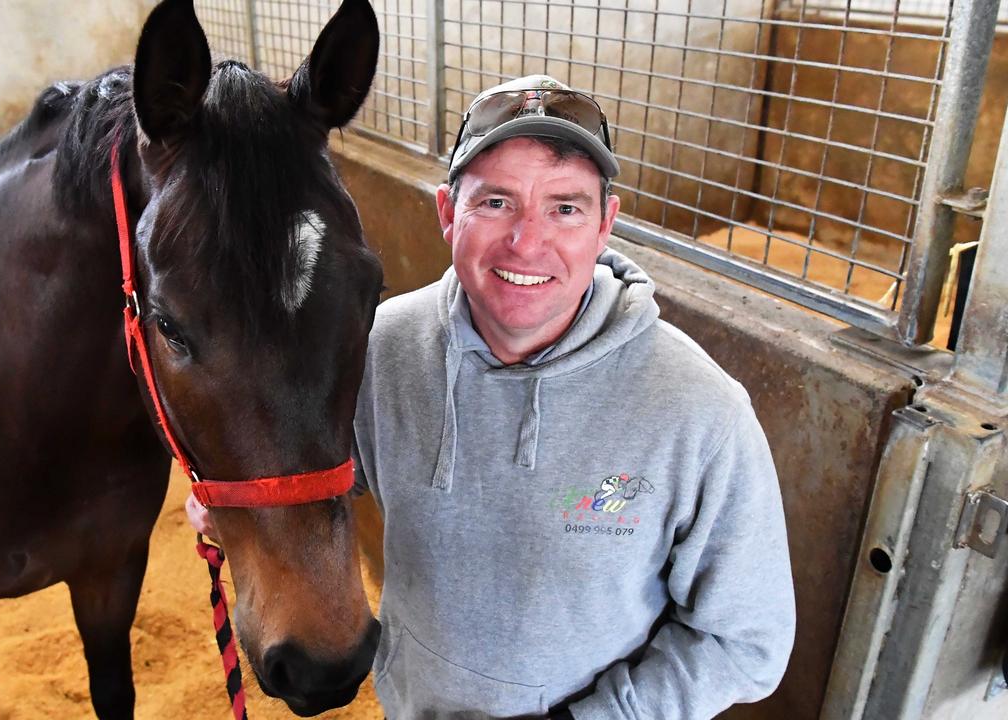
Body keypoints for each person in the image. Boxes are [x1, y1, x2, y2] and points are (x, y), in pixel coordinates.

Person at [188, 74, 795, 719]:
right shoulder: (384, 343)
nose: (527, 241)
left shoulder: (700, 413)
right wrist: (244, 499)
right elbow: (335, 468)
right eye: (497, 202)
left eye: (565, 207)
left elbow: (747, 643)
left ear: (605, 225)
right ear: (449, 213)